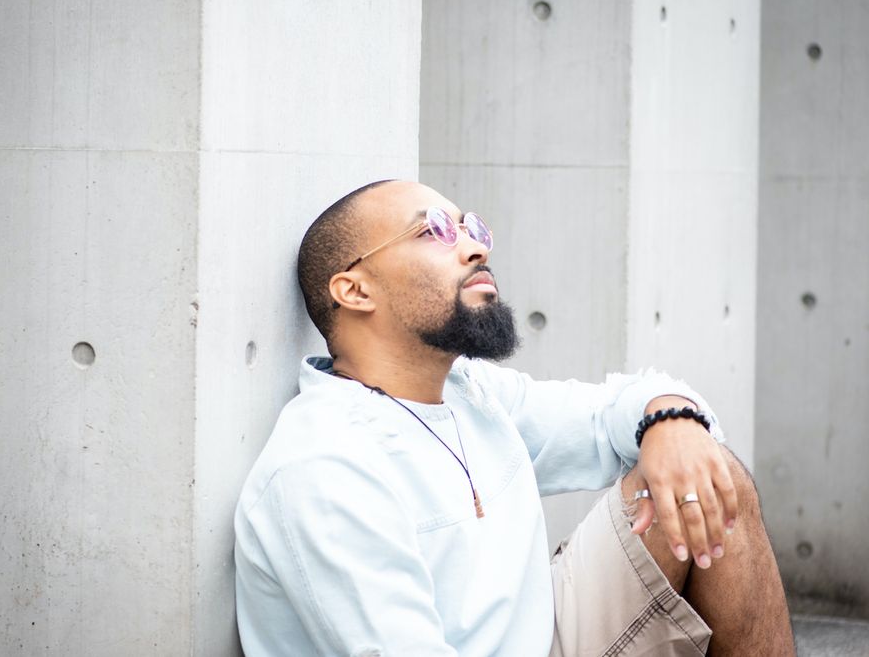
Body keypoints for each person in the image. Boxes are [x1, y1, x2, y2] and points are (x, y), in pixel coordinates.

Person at [234, 180, 794, 656]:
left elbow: (607, 416)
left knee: (708, 474)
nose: (476, 249)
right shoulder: (326, 469)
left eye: (473, 228)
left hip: (544, 635)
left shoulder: (469, 393)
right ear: (354, 289)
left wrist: (670, 419)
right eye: (434, 231)